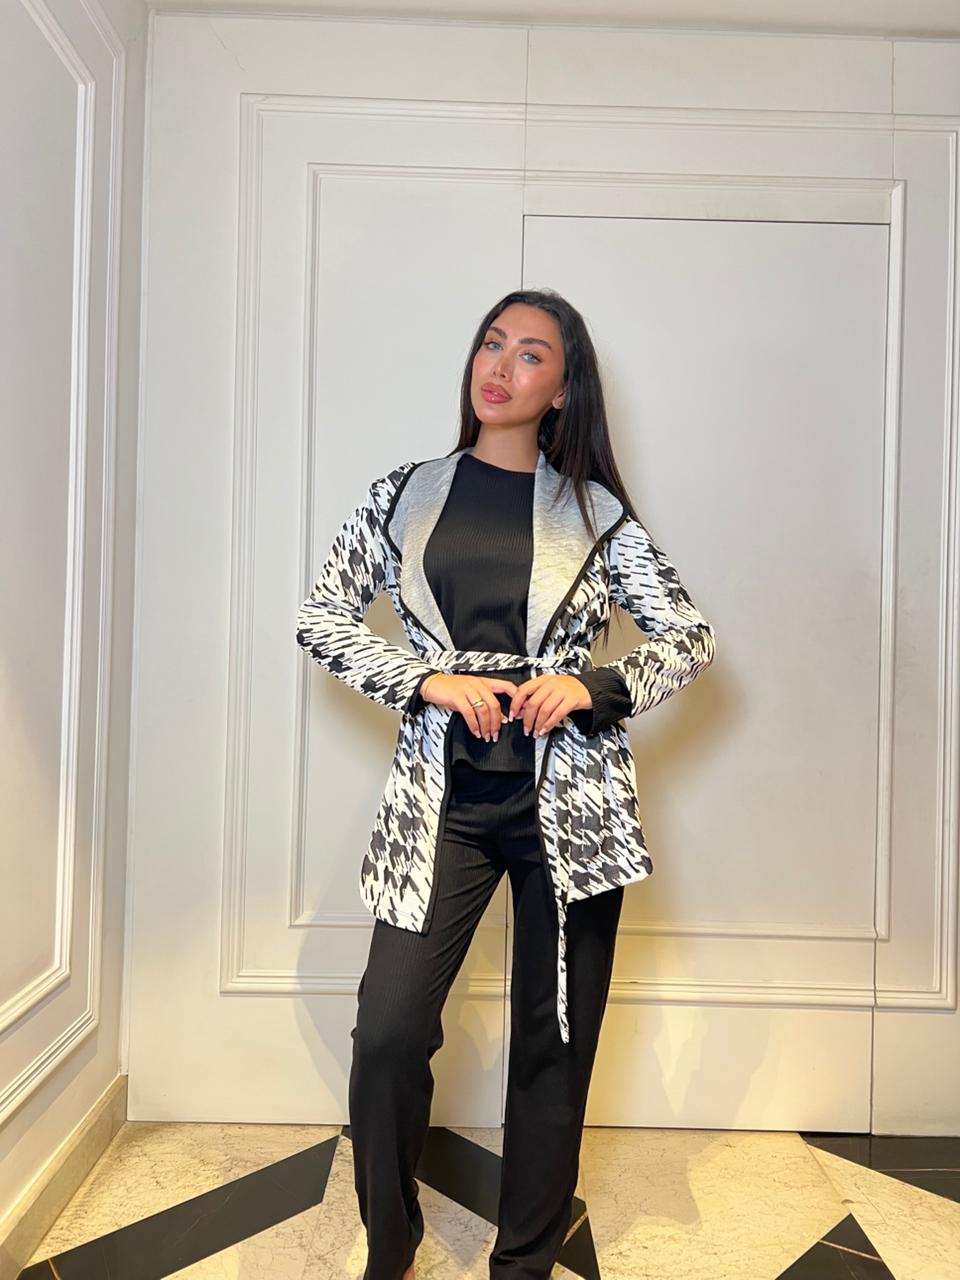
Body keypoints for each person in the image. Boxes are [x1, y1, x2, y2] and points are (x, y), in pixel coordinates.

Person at [295, 288, 717, 1279]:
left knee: (551, 1041)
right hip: (441, 802)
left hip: (570, 809)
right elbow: (322, 615)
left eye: (531, 355)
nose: (501, 366)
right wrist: (425, 676)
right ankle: (390, 1240)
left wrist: (591, 684)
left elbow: (690, 637)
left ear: (562, 390)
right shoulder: (407, 490)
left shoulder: (596, 514)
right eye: (494, 343)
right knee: (391, 1028)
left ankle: (522, 1262)